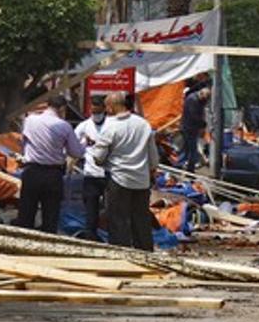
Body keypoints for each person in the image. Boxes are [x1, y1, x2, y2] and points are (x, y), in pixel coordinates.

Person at [89, 92, 159, 251]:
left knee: (118, 220)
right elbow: (153, 158)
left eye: (107, 107)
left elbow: (98, 157)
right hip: (142, 181)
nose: (106, 110)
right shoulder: (143, 124)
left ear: (113, 106)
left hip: (119, 180)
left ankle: (121, 254)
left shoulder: (111, 127)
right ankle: (146, 254)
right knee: (141, 220)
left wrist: (100, 159)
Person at [16, 96, 84, 233]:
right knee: (50, 215)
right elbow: (76, 153)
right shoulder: (64, 126)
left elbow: (24, 142)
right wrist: (84, 144)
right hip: (53, 174)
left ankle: (20, 245)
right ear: (63, 109)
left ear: (48, 105)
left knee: (26, 213)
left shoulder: (30, 120)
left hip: (32, 171)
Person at [74, 95, 110, 241]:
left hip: (109, 173)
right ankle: (91, 235)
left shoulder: (111, 125)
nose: (95, 114)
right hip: (91, 174)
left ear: (104, 108)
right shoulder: (84, 126)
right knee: (90, 207)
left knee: (111, 208)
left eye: (98, 110)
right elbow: (74, 144)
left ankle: (112, 236)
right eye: (93, 111)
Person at [180, 86, 210, 173]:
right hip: (189, 127)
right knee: (191, 150)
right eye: (204, 99)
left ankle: (185, 167)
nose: (205, 101)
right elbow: (194, 116)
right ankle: (189, 169)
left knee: (188, 149)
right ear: (201, 93)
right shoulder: (193, 100)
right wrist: (203, 124)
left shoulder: (198, 99)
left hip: (192, 127)